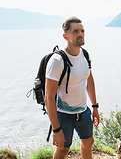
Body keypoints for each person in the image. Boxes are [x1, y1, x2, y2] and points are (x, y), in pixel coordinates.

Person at [45, 17, 99, 159]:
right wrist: (56, 129)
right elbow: (49, 98)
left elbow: (89, 81)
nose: (80, 34)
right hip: (63, 115)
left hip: (83, 112)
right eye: (75, 31)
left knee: (88, 142)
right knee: (63, 149)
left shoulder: (85, 55)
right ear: (65, 36)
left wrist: (94, 106)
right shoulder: (57, 61)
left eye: (82, 31)